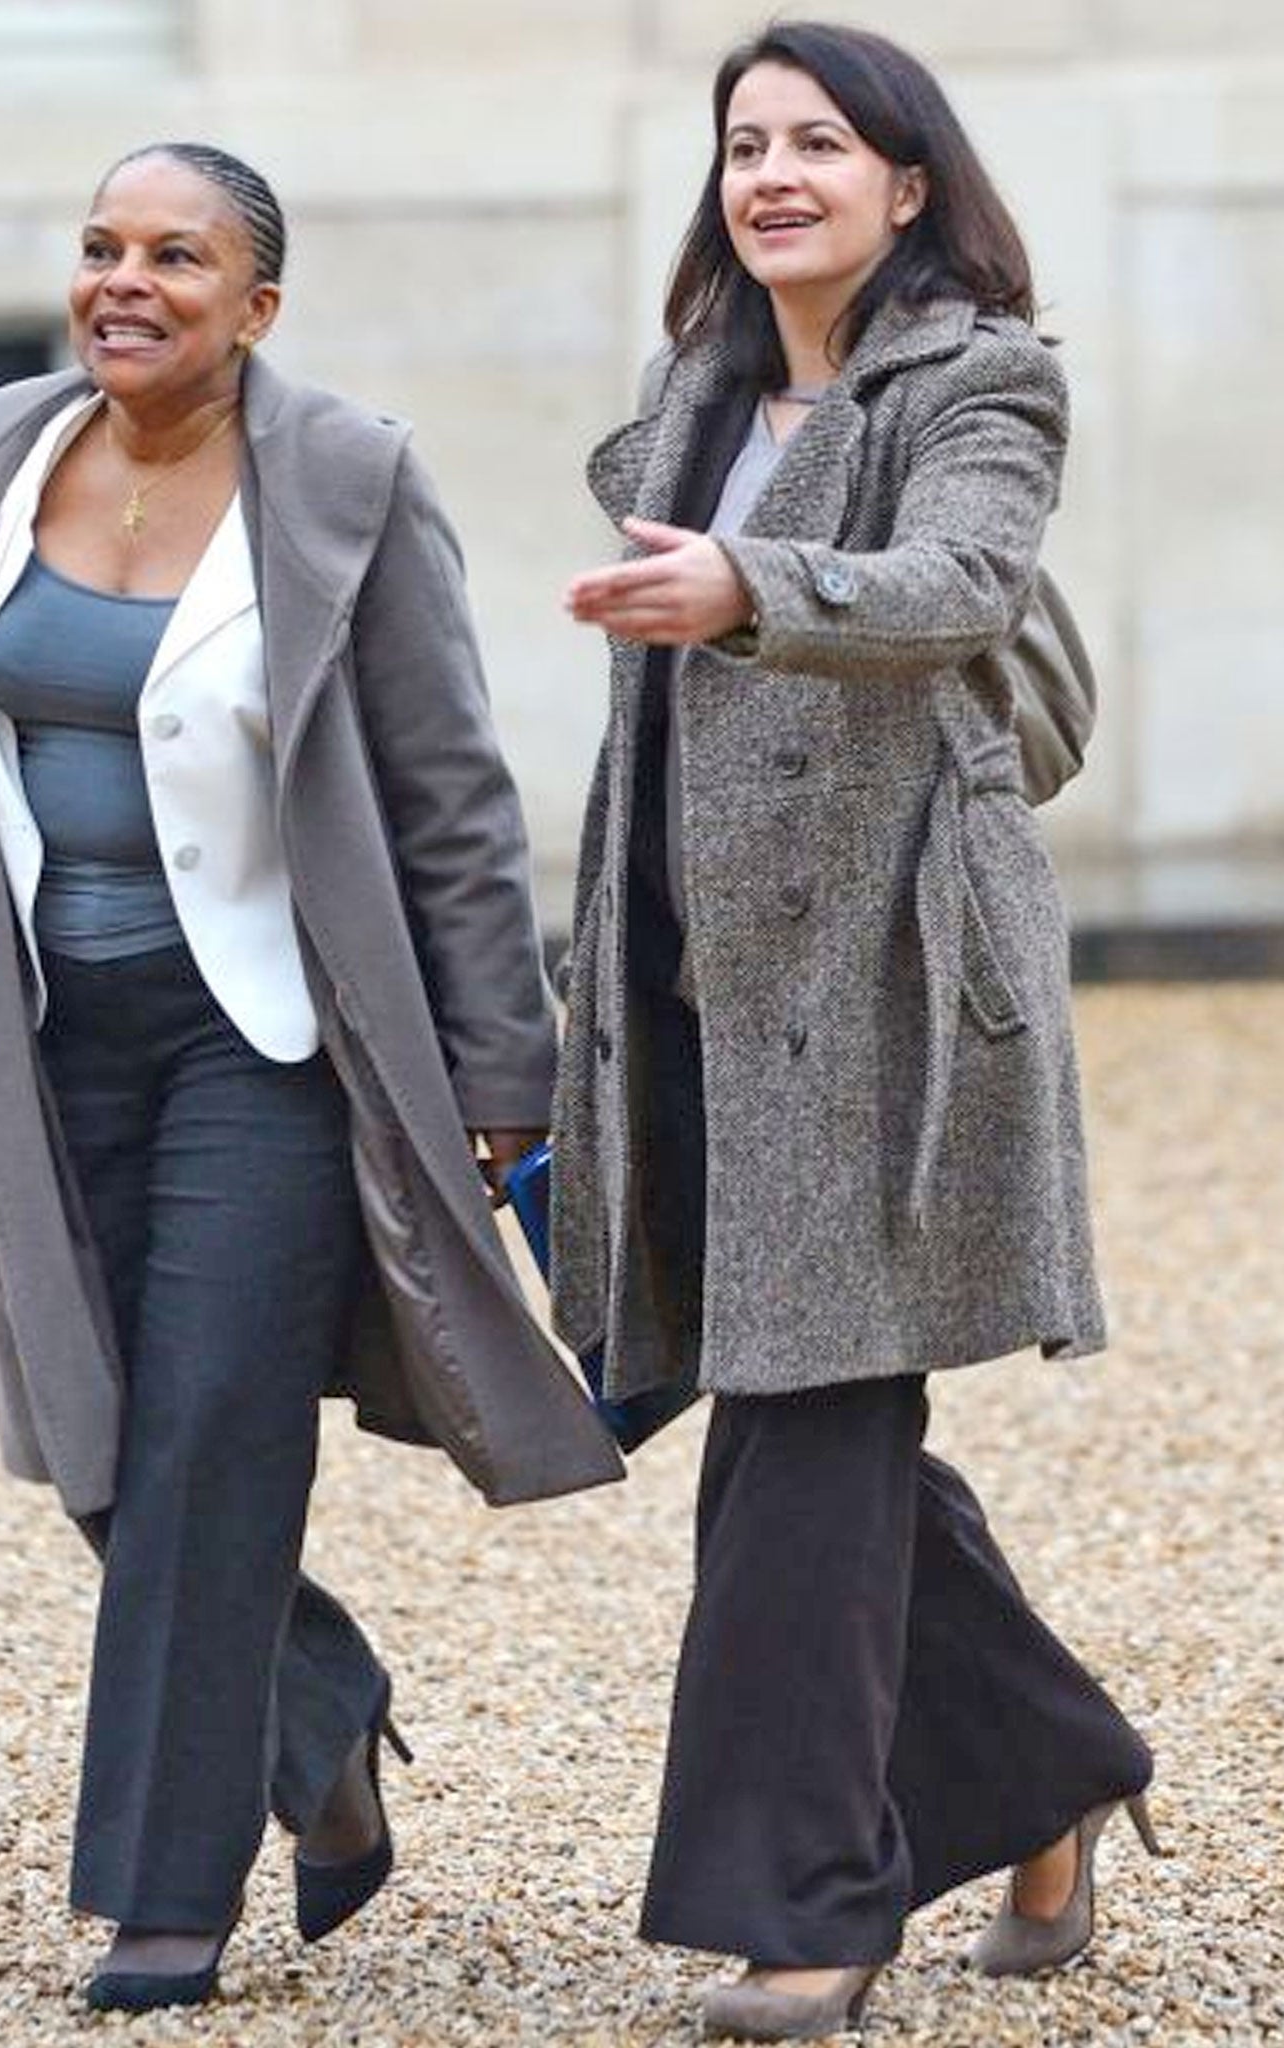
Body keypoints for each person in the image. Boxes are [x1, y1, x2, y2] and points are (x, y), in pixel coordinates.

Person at [0, 141, 623, 2014]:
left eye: (175, 257)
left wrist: (509, 1059)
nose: (125, 281)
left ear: (256, 306)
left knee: (212, 1435)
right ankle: (325, 1703)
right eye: (102, 247)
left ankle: (165, 1896)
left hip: (265, 1040)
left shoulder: (342, 478)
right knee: (97, 1432)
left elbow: (447, 796)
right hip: (39, 1035)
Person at [552, 22, 1157, 2041]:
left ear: (911, 185)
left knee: (805, 1432)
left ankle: (812, 1897)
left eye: (822, 140)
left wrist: (746, 580)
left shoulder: (981, 376)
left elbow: (962, 577)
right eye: (746, 142)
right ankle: (1049, 1763)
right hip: (690, 982)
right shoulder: (691, 389)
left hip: (884, 979)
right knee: (816, 1396)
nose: (775, 171)